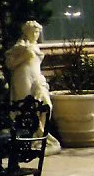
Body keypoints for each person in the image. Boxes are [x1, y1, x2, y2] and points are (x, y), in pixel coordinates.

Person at [4, 20, 59, 152]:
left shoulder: (35, 46)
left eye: (38, 32)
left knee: (46, 105)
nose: (36, 34)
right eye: (33, 31)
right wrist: (23, 57)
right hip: (23, 79)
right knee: (27, 108)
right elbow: (9, 64)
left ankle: (41, 134)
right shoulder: (20, 46)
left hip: (37, 79)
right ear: (26, 32)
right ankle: (33, 137)